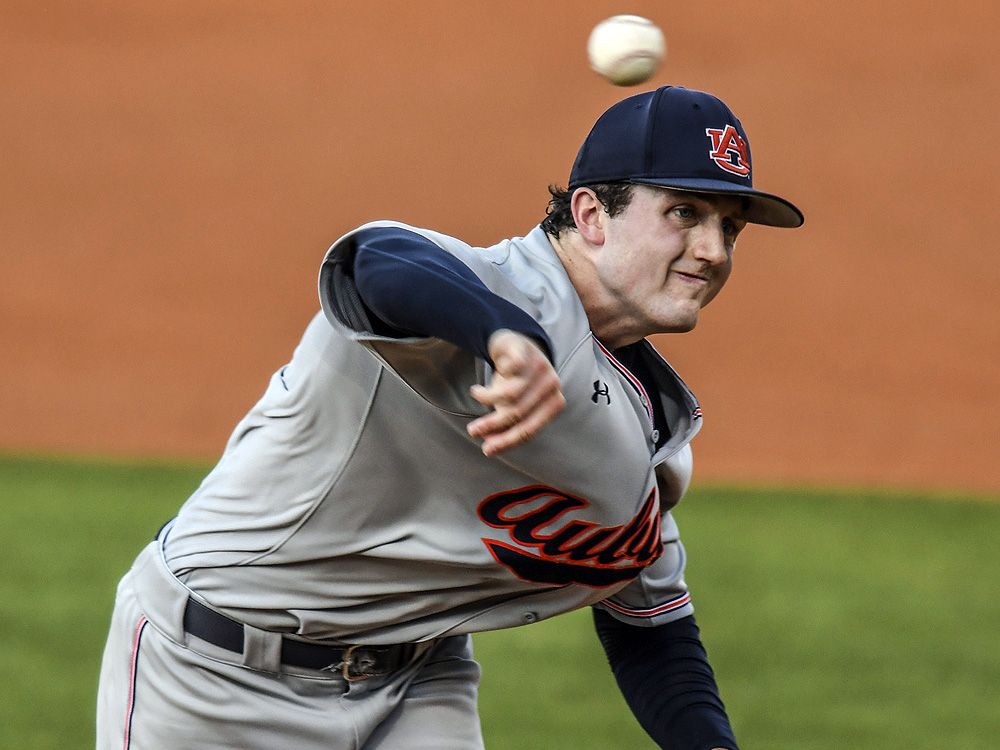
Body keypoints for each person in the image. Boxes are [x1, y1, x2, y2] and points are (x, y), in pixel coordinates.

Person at [96, 85, 803, 750]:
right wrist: (502, 336)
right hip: (209, 675)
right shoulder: (483, 286)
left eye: (730, 228)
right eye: (685, 212)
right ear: (590, 215)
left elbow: (653, 626)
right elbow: (376, 259)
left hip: (416, 684)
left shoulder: (647, 432)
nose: (714, 251)